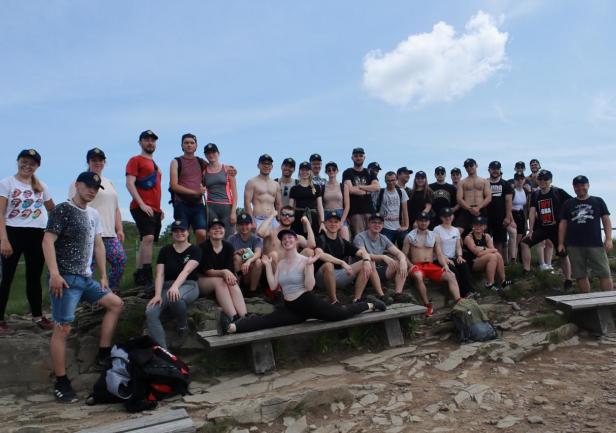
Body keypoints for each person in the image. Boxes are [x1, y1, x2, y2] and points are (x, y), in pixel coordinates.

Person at [42, 171, 124, 403]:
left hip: (87, 279)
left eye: (95, 188)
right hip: (66, 280)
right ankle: (61, 382)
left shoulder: (93, 214)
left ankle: (103, 353)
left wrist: (103, 276)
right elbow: (47, 241)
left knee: (116, 304)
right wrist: (54, 274)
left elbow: (98, 245)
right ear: (77, 185)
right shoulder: (63, 210)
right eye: (88, 186)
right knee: (63, 328)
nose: (92, 191)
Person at [219, 229, 386, 335]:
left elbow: (309, 286)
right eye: (284, 239)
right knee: (268, 321)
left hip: (307, 302)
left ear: (296, 241)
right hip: (290, 307)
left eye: (290, 238)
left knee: (339, 314)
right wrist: (268, 266)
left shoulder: (304, 260)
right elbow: (273, 286)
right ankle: (231, 327)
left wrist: (309, 266)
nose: (287, 240)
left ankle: (369, 304)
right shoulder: (281, 264)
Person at [0, 149, 55, 334]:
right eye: (24, 161)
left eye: (32, 163)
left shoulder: (42, 186)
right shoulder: (6, 183)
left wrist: (54, 232)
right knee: (6, 278)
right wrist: (3, 239)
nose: (27, 165)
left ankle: (37, 316)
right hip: (13, 232)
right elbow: (0, 213)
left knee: (34, 277)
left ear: (37, 166)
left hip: (37, 234)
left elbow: (52, 209)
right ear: (18, 161)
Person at [69, 148, 127, 293]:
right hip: (89, 232)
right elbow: (73, 206)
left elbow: (115, 208)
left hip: (109, 233)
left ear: (104, 162)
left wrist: (119, 228)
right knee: (89, 267)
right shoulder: (79, 182)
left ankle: (110, 291)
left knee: (120, 260)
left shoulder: (109, 182)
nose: (97, 163)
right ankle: (89, 297)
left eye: (100, 160)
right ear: (88, 162)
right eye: (93, 160)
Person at [146, 220, 200, 350]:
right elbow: (160, 274)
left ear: (188, 232)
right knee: (150, 312)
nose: (179, 233)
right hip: (166, 287)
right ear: (172, 234)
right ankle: (163, 350)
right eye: (176, 231)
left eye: (182, 230)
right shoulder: (165, 250)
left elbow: (186, 271)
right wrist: (157, 295)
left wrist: (175, 287)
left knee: (175, 297)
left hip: (188, 284)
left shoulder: (195, 250)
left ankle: (182, 327)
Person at [558, 175, 613, 293]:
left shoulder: (598, 201)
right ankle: (587, 299)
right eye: (576, 186)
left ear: (588, 185)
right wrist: (561, 243)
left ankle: (610, 300)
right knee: (580, 275)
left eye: (582, 185)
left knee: (604, 273)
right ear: (573, 187)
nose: (580, 188)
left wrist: (608, 238)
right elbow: (563, 224)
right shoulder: (568, 203)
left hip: (595, 244)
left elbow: (606, 220)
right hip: (574, 245)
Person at [522, 169, 573, 290]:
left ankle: (568, 280)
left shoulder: (558, 192)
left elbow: (572, 203)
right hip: (543, 228)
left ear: (551, 180)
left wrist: (565, 220)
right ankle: (526, 270)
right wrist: (530, 230)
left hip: (557, 229)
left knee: (562, 253)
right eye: (540, 179)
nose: (543, 181)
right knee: (524, 243)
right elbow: (532, 211)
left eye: (546, 179)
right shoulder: (536, 194)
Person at [402, 212, 461, 317]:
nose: (423, 223)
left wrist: (445, 266)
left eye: (426, 221)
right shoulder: (409, 236)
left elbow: (439, 254)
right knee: (418, 275)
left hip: (430, 265)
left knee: (451, 275)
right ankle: (427, 305)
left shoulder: (434, 236)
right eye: (421, 221)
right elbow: (403, 255)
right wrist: (410, 265)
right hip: (417, 266)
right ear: (417, 222)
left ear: (429, 222)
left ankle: (459, 302)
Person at [126, 130, 163, 287]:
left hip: (154, 209)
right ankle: (147, 276)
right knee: (148, 238)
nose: (150, 143)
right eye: (146, 140)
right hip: (141, 206)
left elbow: (156, 189)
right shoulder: (135, 160)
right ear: (140, 142)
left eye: (152, 140)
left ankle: (139, 274)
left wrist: (159, 209)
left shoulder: (155, 165)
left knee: (146, 241)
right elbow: (129, 183)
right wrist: (141, 203)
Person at [315, 210, 373, 304]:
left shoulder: (342, 242)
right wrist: (342, 262)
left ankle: (357, 299)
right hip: (322, 278)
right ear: (325, 223)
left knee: (367, 263)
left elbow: (362, 252)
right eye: (330, 221)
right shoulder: (320, 239)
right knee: (328, 265)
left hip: (339, 275)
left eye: (336, 222)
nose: (333, 224)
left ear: (340, 224)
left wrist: (366, 260)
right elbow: (320, 254)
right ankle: (334, 301)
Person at [198, 218, 247, 327]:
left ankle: (244, 317)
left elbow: (229, 271)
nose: (217, 230)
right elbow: (207, 272)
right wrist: (224, 272)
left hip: (221, 281)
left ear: (224, 231)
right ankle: (233, 318)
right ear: (208, 233)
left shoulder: (228, 246)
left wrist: (227, 273)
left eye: (220, 228)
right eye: (213, 228)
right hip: (203, 282)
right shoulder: (203, 247)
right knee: (220, 280)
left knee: (231, 280)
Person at [353, 213, 411, 303]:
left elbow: (398, 253)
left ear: (383, 225)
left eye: (379, 223)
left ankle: (398, 294)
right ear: (369, 224)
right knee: (371, 262)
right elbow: (364, 254)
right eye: (374, 222)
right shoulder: (360, 237)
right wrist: (383, 257)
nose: (377, 225)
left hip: (379, 271)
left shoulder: (383, 238)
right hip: (364, 273)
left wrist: (403, 260)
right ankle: (381, 296)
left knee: (401, 263)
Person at [169, 134, 208, 244]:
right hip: (181, 203)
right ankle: (184, 254)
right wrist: (195, 192)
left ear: (196, 146)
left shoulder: (201, 162)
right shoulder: (176, 162)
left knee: (202, 233)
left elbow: (215, 167)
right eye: (186, 143)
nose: (189, 145)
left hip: (198, 204)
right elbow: (174, 185)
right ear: (182, 145)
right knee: (182, 234)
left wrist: (228, 168)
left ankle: (199, 255)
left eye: (192, 143)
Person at [433, 208, 476, 298]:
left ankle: (470, 291)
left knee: (463, 264)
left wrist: (459, 256)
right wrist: (445, 258)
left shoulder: (455, 230)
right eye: (445, 216)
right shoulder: (437, 229)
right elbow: (436, 248)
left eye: (449, 216)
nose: (448, 218)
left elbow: (458, 246)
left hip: (453, 257)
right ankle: (461, 294)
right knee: (453, 269)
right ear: (441, 218)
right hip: (441, 258)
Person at [463, 216, 512, 291]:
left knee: (497, 255)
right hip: (472, 262)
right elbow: (477, 253)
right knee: (492, 256)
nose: (478, 227)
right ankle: (490, 284)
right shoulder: (469, 238)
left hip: (482, 259)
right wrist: (487, 249)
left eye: (480, 225)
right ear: (473, 226)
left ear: (485, 227)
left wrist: (483, 249)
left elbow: (494, 250)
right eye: (476, 225)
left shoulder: (487, 236)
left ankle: (503, 280)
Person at [203, 142, 238, 239]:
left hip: (226, 207)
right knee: (212, 237)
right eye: (208, 153)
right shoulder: (204, 172)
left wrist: (233, 212)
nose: (211, 155)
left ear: (218, 153)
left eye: (213, 152)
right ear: (205, 155)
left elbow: (235, 193)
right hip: (211, 208)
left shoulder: (228, 169)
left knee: (229, 237)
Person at [342, 148, 379, 236]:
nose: (358, 158)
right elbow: (351, 190)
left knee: (372, 236)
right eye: (356, 156)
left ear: (364, 157)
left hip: (370, 210)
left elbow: (376, 187)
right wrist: (368, 191)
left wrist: (360, 186)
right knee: (359, 237)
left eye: (360, 156)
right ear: (352, 158)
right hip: (355, 212)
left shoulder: (370, 172)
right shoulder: (348, 172)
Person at [228, 213, 264, 295]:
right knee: (237, 257)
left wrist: (248, 261)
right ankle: (237, 288)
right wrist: (236, 252)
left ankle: (252, 291)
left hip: (250, 273)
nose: (244, 227)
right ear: (237, 226)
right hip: (237, 273)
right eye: (241, 224)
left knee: (258, 262)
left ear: (251, 225)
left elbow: (258, 253)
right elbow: (226, 255)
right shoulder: (231, 238)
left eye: (247, 224)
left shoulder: (256, 239)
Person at [244, 154, 281, 229]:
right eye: (263, 163)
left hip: (273, 220)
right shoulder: (252, 182)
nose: (266, 166)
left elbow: (278, 204)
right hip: (258, 220)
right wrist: (251, 220)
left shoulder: (276, 184)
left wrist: (280, 219)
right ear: (258, 165)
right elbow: (247, 203)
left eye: (268, 164)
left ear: (272, 167)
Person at [486, 161, 514, 259]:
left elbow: (508, 201)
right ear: (489, 170)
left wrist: (508, 217)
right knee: (485, 241)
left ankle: (499, 263)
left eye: (497, 169)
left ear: (500, 170)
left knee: (499, 243)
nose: (495, 171)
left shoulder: (506, 184)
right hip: (486, 217)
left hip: (501, 218)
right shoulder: (484, 183)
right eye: (493, 169)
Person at [455, 158, 491, 235]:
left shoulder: (484, 181)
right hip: (466, 209)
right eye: (466, 166)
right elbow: (459, 199)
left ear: (476, 165)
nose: (469, 168)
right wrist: (470, 209)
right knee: (456, 232)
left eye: (471, 165)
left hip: (480, 210)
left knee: (482, 233)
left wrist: (478, 207)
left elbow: (488, 197)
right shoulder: (462, 182)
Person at [289, 161, 324, 237]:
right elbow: (290, 207)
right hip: (298, 218)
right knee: (298, 239)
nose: (304, 172)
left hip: (313, 217)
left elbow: (320, 206)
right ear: (299, 172)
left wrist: (322, 222)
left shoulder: (316, 187)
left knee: (313, 239)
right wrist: (289, 220)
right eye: (302, 170)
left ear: (310, 171)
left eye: (307, 170)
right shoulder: (294, 188)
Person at [376, 171, 409, 244]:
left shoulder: (401, 192)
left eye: (393, 180)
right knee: (387, 247)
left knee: (405, 241)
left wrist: (406, 226)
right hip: (385, 227)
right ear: (385, 181)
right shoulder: (381, 192)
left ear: (396, 180)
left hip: (399, 226)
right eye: (388, 180)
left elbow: (405, 210)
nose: (391, 182)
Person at [322, 161, 351, 241]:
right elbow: (321, 205)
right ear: (326, 172)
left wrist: (342, 221)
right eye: (329, 170)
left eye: (334, 169)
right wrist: (322, 221)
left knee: (345, 238)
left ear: (337, 171)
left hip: (340, 214)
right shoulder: (322, 187)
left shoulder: (343, 186)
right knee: (327, 240)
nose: (331, 171)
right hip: (327, 214)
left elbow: (347, 206)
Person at [510, 173, 530, 265]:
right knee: (513, 238)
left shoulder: (525, 191)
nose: (519, 181)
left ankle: (516, 260)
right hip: (513, 214)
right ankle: (511, 260)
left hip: (521, 215)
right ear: (514, 180)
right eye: (517, 179)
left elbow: (526, 205)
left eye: (521, 179)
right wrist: (512, 220)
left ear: (524, 180)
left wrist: (526, 219)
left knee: (519, 239)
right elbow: (508, 206)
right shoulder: (512, 191)